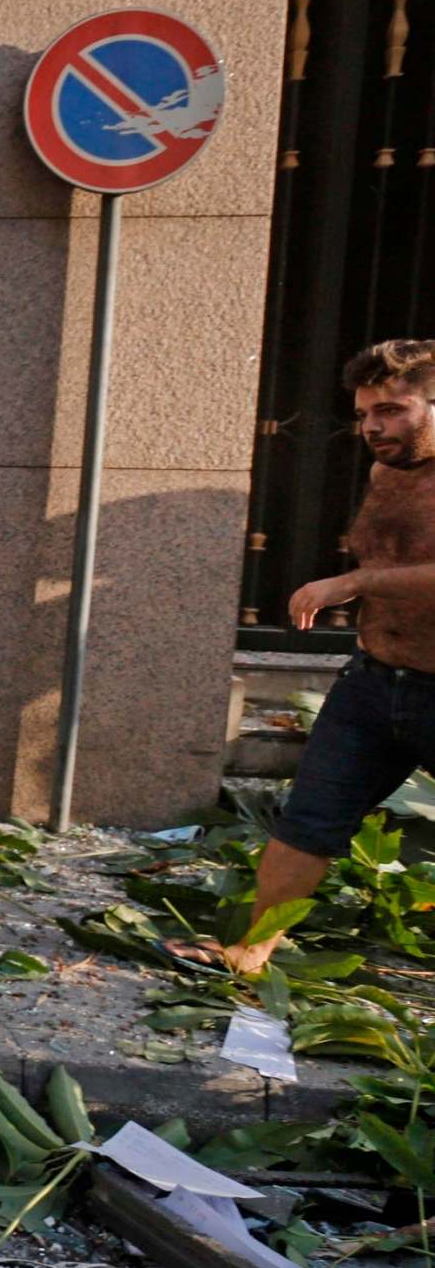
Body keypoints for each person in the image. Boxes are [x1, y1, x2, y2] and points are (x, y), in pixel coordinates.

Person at [181, 341, 435, 975]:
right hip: (374, 682)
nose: (374, 426)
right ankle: (250, 953)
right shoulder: (386, 476)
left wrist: (353, 584)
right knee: (309, 820)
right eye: (365, 412)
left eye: (394, 410)